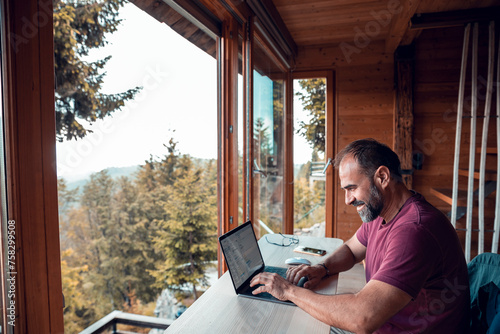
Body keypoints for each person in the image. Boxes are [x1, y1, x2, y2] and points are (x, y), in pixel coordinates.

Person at [250, 138, 470, 334]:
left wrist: (289, 291)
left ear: (382, 177)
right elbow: (352, 249)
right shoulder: (382, 212)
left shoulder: (414, 230)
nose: (347, 200)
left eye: (352, 188)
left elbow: (362, 318)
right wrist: (323, 268)